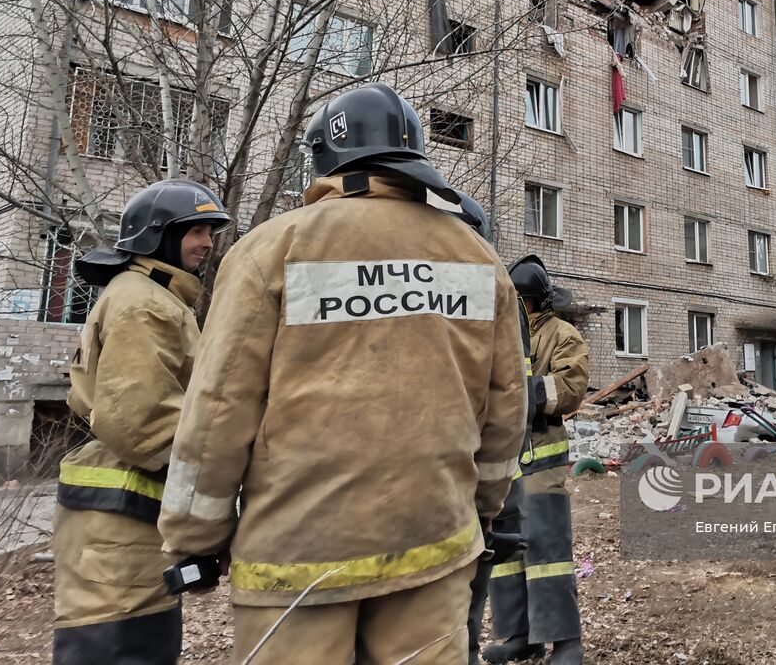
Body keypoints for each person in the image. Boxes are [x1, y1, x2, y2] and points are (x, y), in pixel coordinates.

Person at [158, 83, 528, 665]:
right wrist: (481, 506)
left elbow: (219, 407)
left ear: (324, 159)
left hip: (297, 559)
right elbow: (507, 406)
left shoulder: (270, 251)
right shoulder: (477, 258)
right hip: (434, 539)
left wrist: (194, 538)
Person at [53, 179, 232, 665]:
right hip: (120, 521)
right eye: (195, 230)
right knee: (121, 649)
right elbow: (143, 423)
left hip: (124, 519)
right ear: (158, 236)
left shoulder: (157, 297)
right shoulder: (144, 303)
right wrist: (229, 461)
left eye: (209, 232)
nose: (207, 243)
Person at [483, 255, 590, 665]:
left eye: (518, 301)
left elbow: (570, 387)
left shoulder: (562, 335)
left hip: (541, 460)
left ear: (533, 301)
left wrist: (520, 392)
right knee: (505, 553)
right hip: (502, 463)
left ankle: (565, 642)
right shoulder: (500, 334)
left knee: (547, 550)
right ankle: (519, 636)